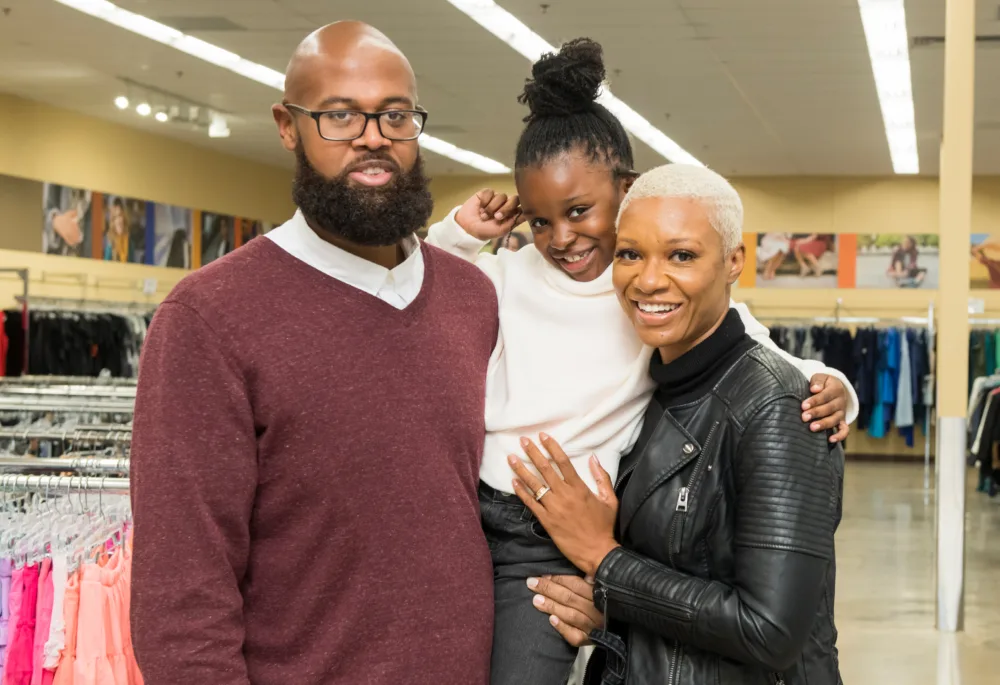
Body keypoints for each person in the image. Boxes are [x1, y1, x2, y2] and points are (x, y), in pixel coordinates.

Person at [424, 38, 855, 685]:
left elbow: (761, 354)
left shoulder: (643, 302)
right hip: (472, 506)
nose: (561, 238)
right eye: (539, 221)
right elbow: (420, 294)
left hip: (553, 538)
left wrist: (837, 387)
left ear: (624, 191)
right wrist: (457, 232)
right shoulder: (508, 276)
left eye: (578, 212)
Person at [130, 22, 498, 685]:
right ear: (287, 126)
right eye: (340, 115)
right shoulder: (209, 318)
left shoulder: (472, 298)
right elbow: (182, 604)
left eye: (395, 115)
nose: (373, 137)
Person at [517, 164, 843, 685]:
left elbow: (771, 631)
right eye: (630, 254)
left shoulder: (778, 407)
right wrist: (610, 610)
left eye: (682, 256)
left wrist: (603, 560)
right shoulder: (647, 388)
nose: (648, 280)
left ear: (733, 261)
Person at [104, 197, 129, 263]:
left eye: (120, 215)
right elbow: (106, 264)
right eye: (116, 217)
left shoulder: (130, 243)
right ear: (113, 222)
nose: (119, 220)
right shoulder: (110, 241)